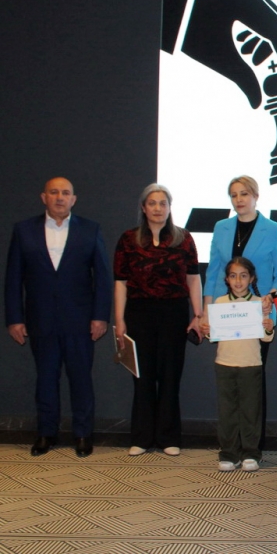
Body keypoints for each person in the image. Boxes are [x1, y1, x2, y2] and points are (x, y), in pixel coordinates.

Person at [4, 177, 112, 458]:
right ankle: (46, 433)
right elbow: (13, 278)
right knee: (45, 379)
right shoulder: (24, 230)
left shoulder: (90, 229)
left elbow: (102, 278)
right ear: (44, 197)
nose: (60, 197)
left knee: (81, 379)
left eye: (65, 193)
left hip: (80, 320)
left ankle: (83, 434)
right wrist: (14, 318)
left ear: (73, 199)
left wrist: (100, 316)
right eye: (54, 192)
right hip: (40, 320)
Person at [113, 184, 203, 456]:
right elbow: (120, 282)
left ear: (169, 207)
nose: (157, 208)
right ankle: (141, 438)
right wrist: (119, 319)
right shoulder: (128, 239)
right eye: (152, 203)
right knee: (142, 377)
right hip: (138, 313)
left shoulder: (183, 238)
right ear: (143, 207)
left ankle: (168, 437)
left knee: (170, 376)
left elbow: (193, 279)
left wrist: (197, 315)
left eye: (163, 203)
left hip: (173, 313)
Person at [203, 175, 277, 452]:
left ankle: (253, 445)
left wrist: (270, 296)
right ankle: (230, 444)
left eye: (244, 194)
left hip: (258, 313)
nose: (239, 200)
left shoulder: (273, 229)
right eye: (234, 195)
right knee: (228, 379)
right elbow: (213, 272)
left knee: (253, 381)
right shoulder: (221, 227)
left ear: (256, 196)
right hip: (224, 313)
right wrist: (206, 311)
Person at [206, 257, 274, 472]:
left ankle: (251, 453)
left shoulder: (259, 303)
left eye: (243, 276)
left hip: (250, 364)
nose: (238, 281)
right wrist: (209, 330)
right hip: (224, 363)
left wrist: (268, 326)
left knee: (250, 411)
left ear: (251, 278)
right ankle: (228, 453)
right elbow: (214, 335)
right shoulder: (219, 303)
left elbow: (266, 338)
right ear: (227, 279)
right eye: (233, 276)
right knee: (227, 411)